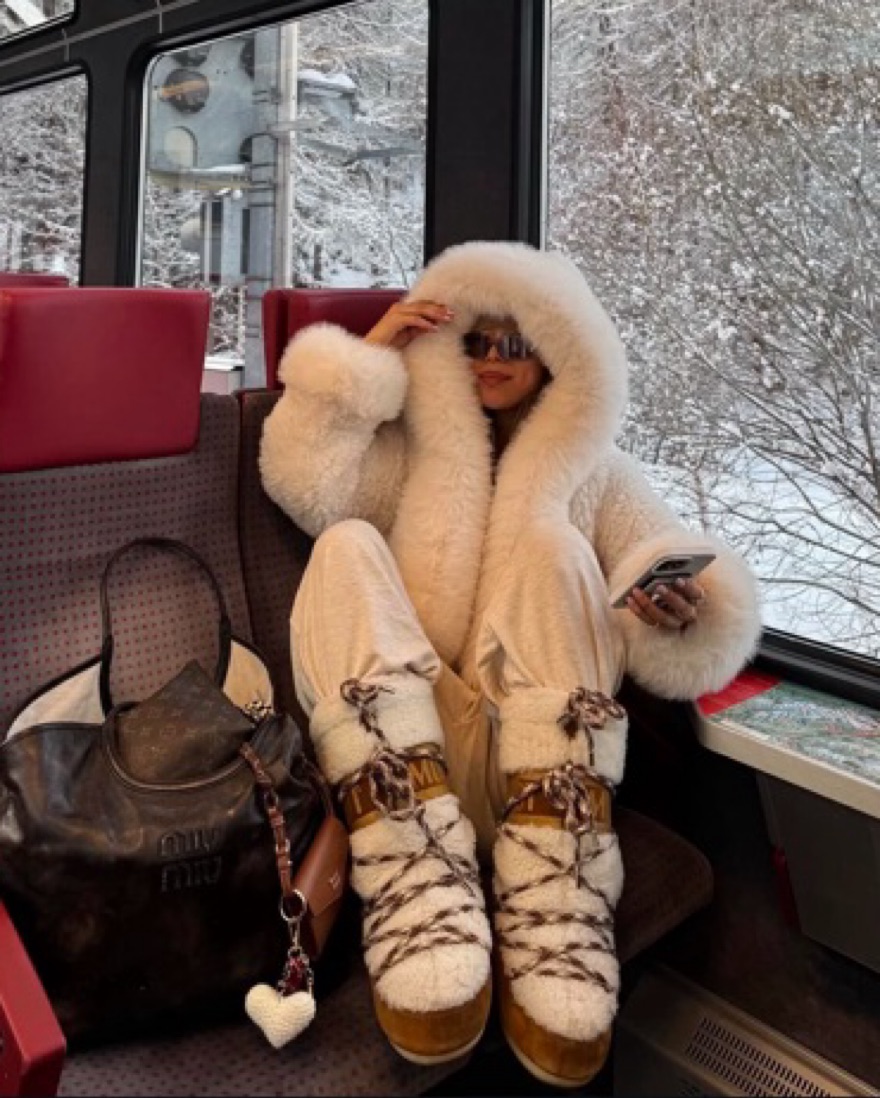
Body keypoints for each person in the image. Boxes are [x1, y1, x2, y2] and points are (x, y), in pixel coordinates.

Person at [260, 241, 761, 1087]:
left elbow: (670, 559)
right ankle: (415, 878)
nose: (493, 360)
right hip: (412, 763)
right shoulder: (409, 455)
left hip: (543, 770)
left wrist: (685, 610)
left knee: (554, 547)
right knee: (344, 545)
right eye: (475, 342)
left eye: (515, 343)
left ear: (556, 353)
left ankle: (560, 888)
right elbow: (304, 482)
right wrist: (369, 359)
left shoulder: (595, 476)